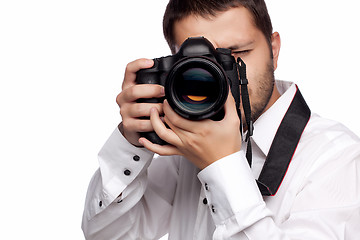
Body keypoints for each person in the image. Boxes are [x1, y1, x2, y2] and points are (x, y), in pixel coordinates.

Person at [82, 0, 360, 239]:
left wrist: (219, 164)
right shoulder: (184, 145)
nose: (224, 80)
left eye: (236, 54)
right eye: (202, 62)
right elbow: (106, 235)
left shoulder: (338, 157)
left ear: (274, 50)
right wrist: (132, 142)